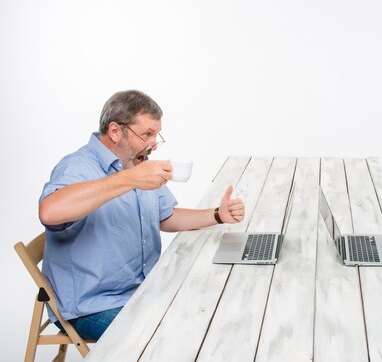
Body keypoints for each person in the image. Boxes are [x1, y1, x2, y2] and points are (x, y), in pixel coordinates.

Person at [38, 90, 245, 340]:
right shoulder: (77, 166)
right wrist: (129, 179)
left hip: (142, 291)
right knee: (176, 339)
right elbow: (49, 211)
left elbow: (165, 217)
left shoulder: (135, 163)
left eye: (157, 135)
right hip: (92, 306)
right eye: (146, 134)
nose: (154, 143)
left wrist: (217, 215)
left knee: (211, 312)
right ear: (115, 131)